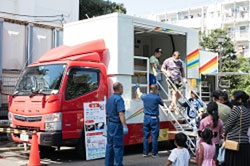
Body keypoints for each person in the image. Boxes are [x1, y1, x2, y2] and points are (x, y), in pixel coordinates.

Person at [136, 84, 164, 157]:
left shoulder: (145, 96)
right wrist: (159, 96)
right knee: (154, 137)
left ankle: (145, 153)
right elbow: (162, 104)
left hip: (146, 118)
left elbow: (139, 93)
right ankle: (154, 153)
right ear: (155, 90)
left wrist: (138, 87)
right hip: (154, 118)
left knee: (145, 136)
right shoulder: (157, 98)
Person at [224, 90, 250, 166]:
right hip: (245, 142)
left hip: (234, 143)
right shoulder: (248, 110)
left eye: (234, 98)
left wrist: (224, 133)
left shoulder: (237, 109)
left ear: (239, 99)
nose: (232, 99)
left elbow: (228, 124)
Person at [105, 82, 128, 166]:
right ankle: (118, 164)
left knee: (109, 146)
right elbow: (121, 113)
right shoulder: (119, 99)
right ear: (120, 88)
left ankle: (108, 164)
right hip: (116, 125)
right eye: (122, 88)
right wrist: (124, 125)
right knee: (117, 146)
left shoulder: (110, 98)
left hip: (110, 124)